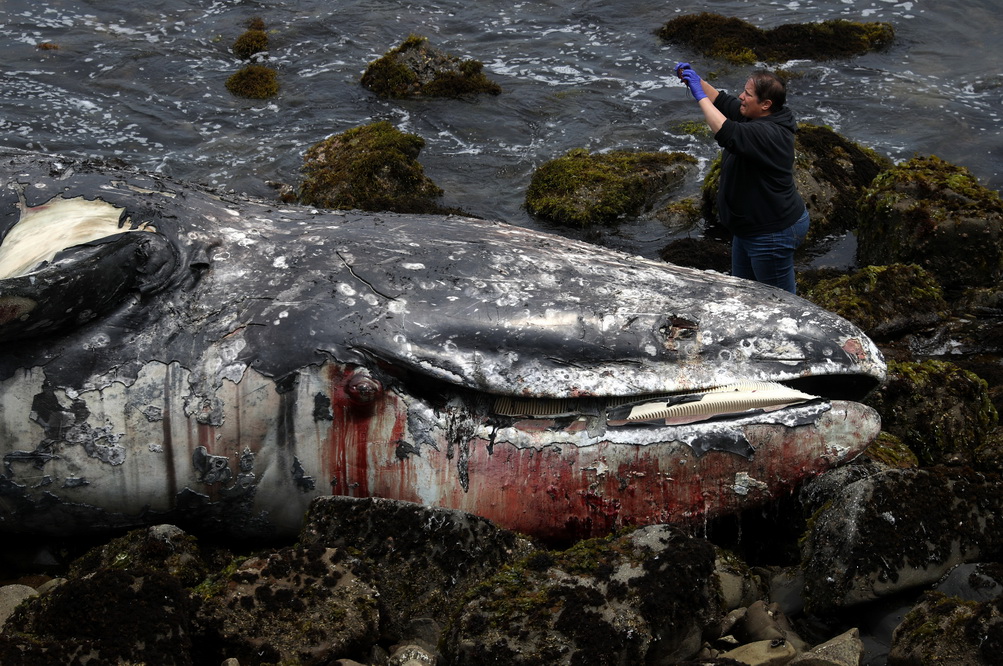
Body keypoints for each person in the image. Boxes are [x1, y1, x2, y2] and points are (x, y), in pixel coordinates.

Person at [675, 62, 809, 294]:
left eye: (747, 94)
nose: (741, 97)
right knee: (743, 293)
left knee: (779, 301)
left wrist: (699, 96)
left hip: (771, 232)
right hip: (749, 228)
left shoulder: (769, 133)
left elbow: (727, 132)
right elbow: (724, 102)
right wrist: (696, 80)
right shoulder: (757, 115)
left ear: (766, 104)